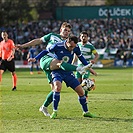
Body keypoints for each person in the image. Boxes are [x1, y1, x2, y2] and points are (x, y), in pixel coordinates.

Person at [16, 22, 95, 116]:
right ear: (60, 29)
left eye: (69, 31)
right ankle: (78, 69)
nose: (66, 32)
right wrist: (23, 46)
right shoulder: (53, 37)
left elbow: (80, 56)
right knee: (59, 62)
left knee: (55, 89)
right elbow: (38, 41)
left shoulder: (72, 43)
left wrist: (88, 67)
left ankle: (44, 107)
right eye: (65, 30)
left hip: (60, 67)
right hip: (47, 59)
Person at [30, 35, 97, 119]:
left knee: (81, 91)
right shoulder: (57, 46)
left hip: (68, 72)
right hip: (57, 70)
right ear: (67, 42)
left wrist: (88, 66)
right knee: (57, 88)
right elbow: (45, 51)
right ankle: (55, 111)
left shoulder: (75, 47)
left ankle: (86, 112)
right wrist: (36, 59)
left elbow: (81, 57)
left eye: (74, 47)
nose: (72, 48)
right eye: (70, 46)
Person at [74, 31, 99, 99]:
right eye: (82, 36)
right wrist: (73, 63)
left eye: (85, 36)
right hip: (79, 66)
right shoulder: (77, 45)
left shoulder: (90, 46)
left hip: (87, 66)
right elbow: (75, 55)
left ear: (87, 38)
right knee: (78, 82)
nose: (83, 38)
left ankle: (85, 95)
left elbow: (96, 55)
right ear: (80, 37)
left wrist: (94, 60)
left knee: (84, 80)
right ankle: (91, 82)